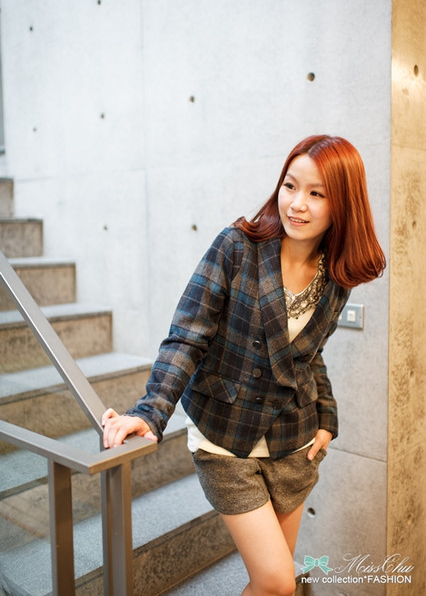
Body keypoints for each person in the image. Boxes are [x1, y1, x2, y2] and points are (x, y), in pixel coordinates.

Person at [102, 134, 386, 596]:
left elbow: (310, 357)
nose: (297, 203)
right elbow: (187, 336)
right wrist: (151, 411)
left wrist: (327, 419)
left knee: (277, 586)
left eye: (316, 193)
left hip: (294, 440)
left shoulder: (336, 276)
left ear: (343, 205)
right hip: (225, 436)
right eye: (290, 185)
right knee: (276, 582)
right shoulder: (237, 247)